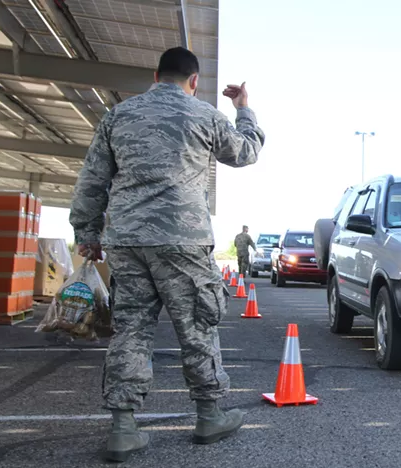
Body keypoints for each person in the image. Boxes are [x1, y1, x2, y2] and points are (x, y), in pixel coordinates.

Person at [69, 46, 265, 462]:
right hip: (183, 240)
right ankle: (209, 416)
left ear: (155, 76)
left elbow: (92, 178)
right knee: (197, 326)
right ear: (194, 81)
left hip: (127, 240)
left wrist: (87, 232)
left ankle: (123, 427)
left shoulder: (118, 116)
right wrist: (243, 108)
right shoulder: (205, 115)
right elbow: (245, 152)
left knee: (131, 330)